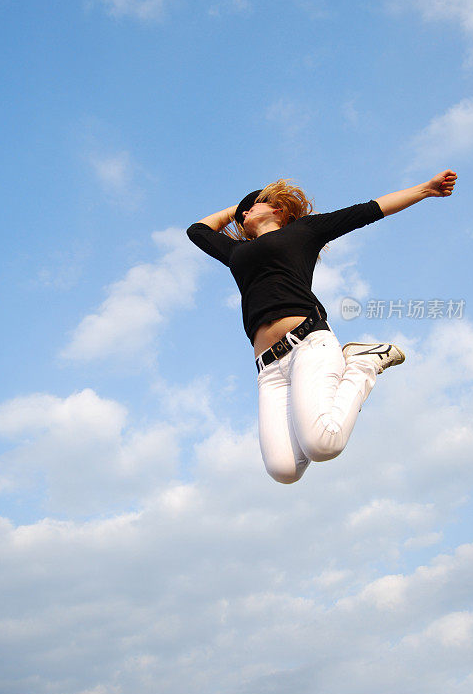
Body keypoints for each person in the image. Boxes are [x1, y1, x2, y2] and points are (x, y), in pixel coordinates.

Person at [186, 171, 457, 484]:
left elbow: (370, 210)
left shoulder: (304, 231)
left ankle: (364, 362)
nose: (244, 213)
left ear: (277, 210)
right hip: (268, 369)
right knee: (283, 471)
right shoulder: (236, 253)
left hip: (308, 344)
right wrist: (240, 208)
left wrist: (425, 189)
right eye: (241, 212)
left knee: (323, 445)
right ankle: (356, 365)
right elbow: (198, 231)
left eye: (253, 207)